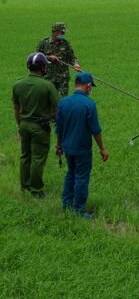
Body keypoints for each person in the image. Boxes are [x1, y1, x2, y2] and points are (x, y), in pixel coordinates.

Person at [55, 73, 109, 218]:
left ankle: (66, 204)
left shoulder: (63, 102)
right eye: (91, 87)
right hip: (82, 149)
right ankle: (79, 209)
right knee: (81, 177)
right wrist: (102, 149)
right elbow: (95, 130)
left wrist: (58, 145)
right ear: (88, 85)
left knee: (70, 174)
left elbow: (58, 127)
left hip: (67, 148)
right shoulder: (89, 104)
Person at [12, 52, 59, 198]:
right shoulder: (47, 85)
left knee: (25, 155)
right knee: (38, 158)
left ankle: (25, 186)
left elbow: (16, 108)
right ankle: (37, 190)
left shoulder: (18, 84)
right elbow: (57, 107)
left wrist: (20, 124)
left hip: (24, 124)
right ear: (42, 67)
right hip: (40, 127)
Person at [36, 22, 81, 97]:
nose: (63, 34)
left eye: (64, 32)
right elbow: (37, 57)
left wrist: (75, 64)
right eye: (62, 32)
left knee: (62, 101)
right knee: (49, 101)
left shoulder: (66, 43)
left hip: (63, 79)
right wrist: (49, 58)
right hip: (48, 77)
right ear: (54, 32)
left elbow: (72, 57)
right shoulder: (44, 42)